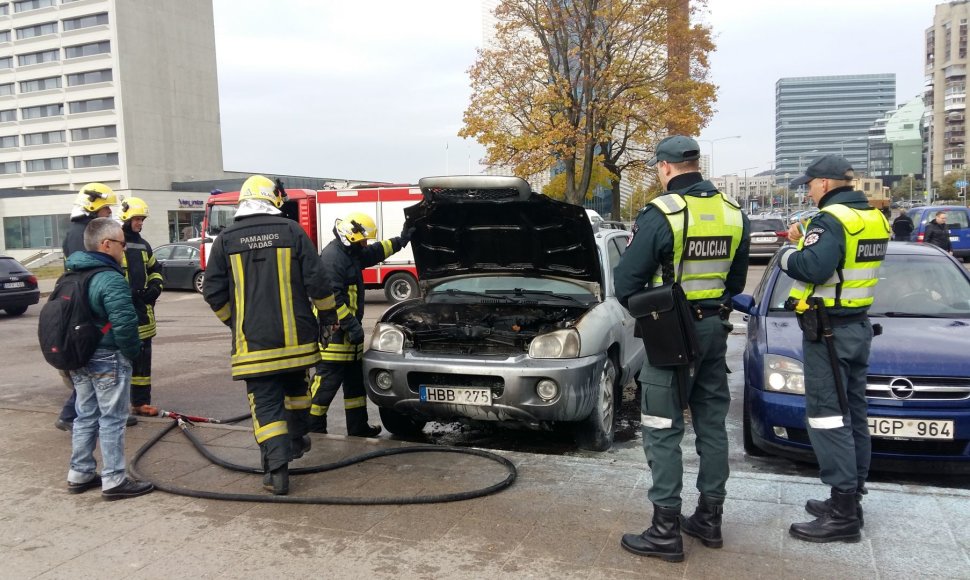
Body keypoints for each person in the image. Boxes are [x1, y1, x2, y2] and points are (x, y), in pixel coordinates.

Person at [614, 135, 750, 562]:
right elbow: (735, 283)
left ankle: (665, 529)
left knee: (661, 426)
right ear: (697, 164)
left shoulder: (663, 213)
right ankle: (709, 518)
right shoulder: (733, 213)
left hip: (671, 333)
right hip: (714, 329)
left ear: (666, 167)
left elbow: (625, 284)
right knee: (712, 424)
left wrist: (653, 310)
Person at [203, 175, 338, 495]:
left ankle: (276, 472)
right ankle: (294, 440)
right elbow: (318, 281)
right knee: (297, 394)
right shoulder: (291, 231)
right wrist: (329, 316)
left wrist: (235, 323)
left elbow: (212, 292)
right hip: (297, 344)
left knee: (266, 407)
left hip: (254, 345)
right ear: (272, 200)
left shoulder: (225, 239)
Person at [779, 154, 890, 543]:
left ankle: (842, 514)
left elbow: (813, 268)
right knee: (854, 413)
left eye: (810, 183)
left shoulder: (832, 219)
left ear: (825, 184)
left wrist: (788, 253)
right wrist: (805, 235)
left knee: (827, 417)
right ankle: (851, 496)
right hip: (857, 326)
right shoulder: (873, 217)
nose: (808, 189)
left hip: (829, 333)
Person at [66, 217, 154, 500]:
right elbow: (125, 323)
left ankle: (79, 473)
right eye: (121, 243)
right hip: (107, 357)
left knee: (85, 415)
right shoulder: (110, 278)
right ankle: (114, 479)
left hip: (79, 357)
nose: (124, 249)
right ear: (106, 245)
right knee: (112, 419)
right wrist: (131, 353)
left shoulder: (71, 274)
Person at [308, 212, 413, 437]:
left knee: (355, 387)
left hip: (349, 338)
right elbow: (333, 300)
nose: (365, 244)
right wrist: (353, 328)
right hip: (334, 336)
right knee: (327, 383)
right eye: (362, 240)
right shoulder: (333, 258)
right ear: (350, 236)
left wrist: (401, 241)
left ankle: (358, 428)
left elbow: (374, 252)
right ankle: (312, 427)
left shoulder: (350, 252)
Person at [55, 184, 138, 431]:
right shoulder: (84, 233)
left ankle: (75, 420)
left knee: (86, 387)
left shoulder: (75, 231)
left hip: (81, 314)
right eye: (106, 209)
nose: (109, 214)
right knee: (96, 379)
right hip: (93, 319)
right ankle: (78, 417)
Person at [119, 198, 165, 416]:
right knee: (120, 361)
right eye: (137, 219)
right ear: (126, 218)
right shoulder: (116, 242)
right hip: (122, 311)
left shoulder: (144, 244)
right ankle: (118, 406)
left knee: (143, 362)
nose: (140, 223)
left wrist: (155, 286)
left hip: (144, 312)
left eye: (142, 219)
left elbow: (155, 268)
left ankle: (140, 402)